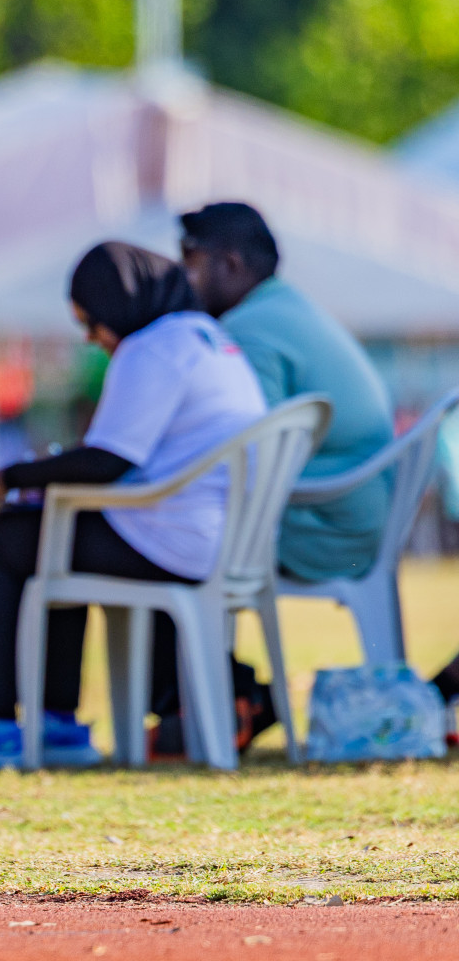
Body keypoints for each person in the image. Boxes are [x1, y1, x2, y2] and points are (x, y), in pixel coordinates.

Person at [0, 243, 266, 773]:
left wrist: (10, 477)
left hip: (171, 540)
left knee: (1, 540)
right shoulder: (211, 341)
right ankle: (55, 723)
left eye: (93, 321)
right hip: (219, 539)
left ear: (121, 304)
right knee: (55, 535)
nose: (92, 338)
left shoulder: (152, 347)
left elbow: (108, 461)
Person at [147, 202, 396, 757]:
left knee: (159, 542)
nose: (181, 278)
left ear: (229, 264)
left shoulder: (249, 329)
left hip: (326, 526)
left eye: (189, 262)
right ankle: (221, 698)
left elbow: (239, 452)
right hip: (348, 513)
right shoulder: (286, 309)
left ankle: (216, 701)